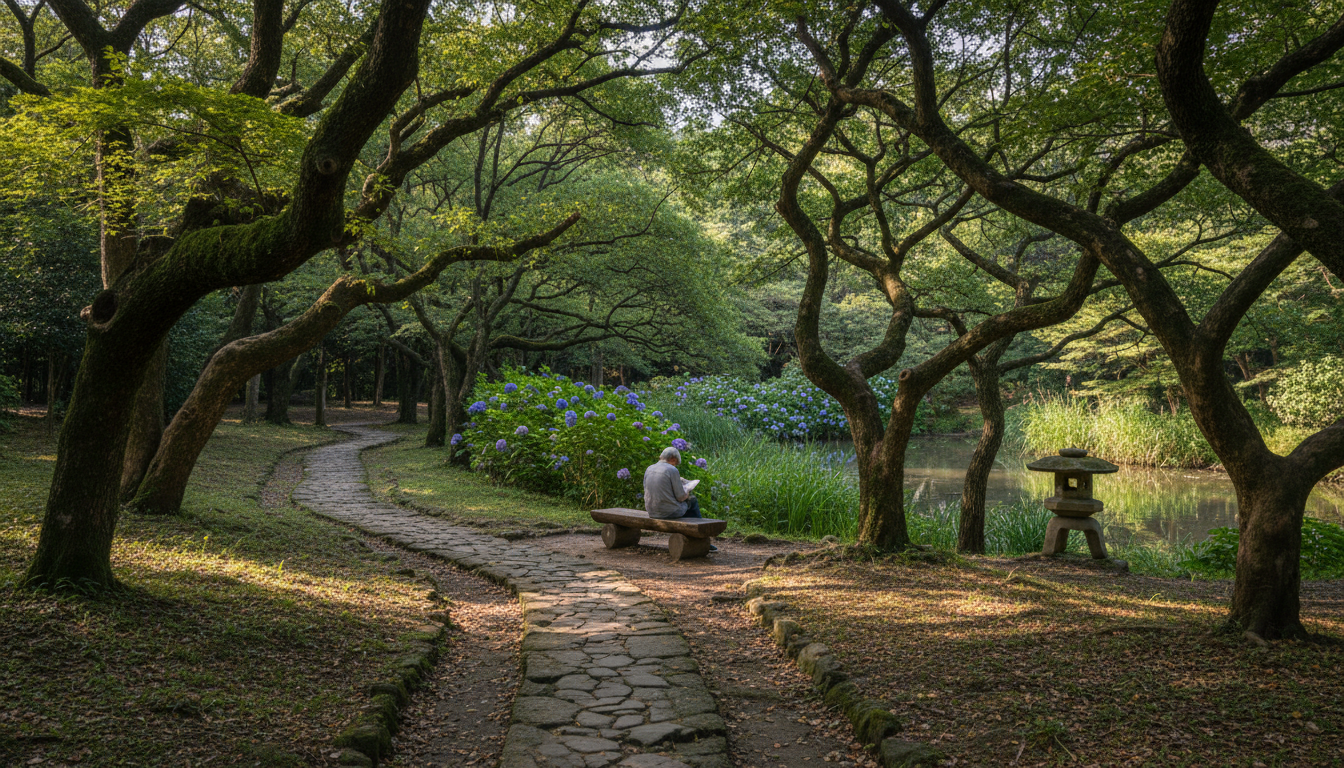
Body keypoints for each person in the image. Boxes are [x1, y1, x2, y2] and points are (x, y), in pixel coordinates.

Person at [643, 446, 717, 551]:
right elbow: (681, 497)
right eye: (676, 463)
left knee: (687, 508)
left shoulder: (649, 468)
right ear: (673, 459)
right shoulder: (672, 470)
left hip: (651, 511)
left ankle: (693, 538)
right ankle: (703, 539)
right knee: (692, 501)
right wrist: (687, 490)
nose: (675, 465)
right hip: (668, 512)